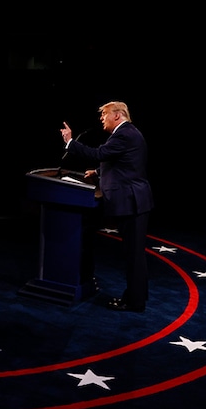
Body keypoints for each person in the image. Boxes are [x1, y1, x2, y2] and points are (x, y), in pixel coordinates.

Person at [60, 100, 153, 313]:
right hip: (133, 201)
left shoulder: (124, 134)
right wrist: (99, 173)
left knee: (134, 254)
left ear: (118, 115)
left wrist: (70, 142)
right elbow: (124, 164)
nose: (102, 118)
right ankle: (136, 296)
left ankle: (135, 302)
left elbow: (99, 154)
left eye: (105, 114)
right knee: (133, 254)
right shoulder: (127, 134)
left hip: (132, 202)